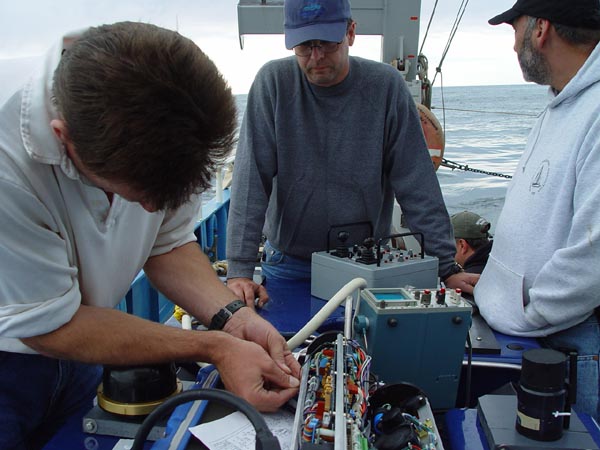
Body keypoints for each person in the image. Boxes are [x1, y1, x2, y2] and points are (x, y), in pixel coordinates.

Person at [0, 22, 300, 450]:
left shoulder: (168, 124)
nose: (150, 213)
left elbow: (168, 243)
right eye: (135, 196)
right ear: (65, 139)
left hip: (82, 342)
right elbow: (46, 324)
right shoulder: (7, 164)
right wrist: (214, 346)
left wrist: (235, 318)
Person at [226, 0, 478, 307]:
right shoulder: (273, 83)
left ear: (351, 32)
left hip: (366, 267)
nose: (316, 57)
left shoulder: (387, 87)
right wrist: (239, 270)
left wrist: (445, 266)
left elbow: (417, 184)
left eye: (327, 44)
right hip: (288, 266)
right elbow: (251, 182)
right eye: (304, 46)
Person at [477, 0, 600, 420]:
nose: (513, 46)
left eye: (515, 29)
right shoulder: (563, 103)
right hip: (531, 333)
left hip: (567, 344)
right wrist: (495, 286)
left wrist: (533, 308)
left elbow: (594, 250)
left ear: (541, 28)